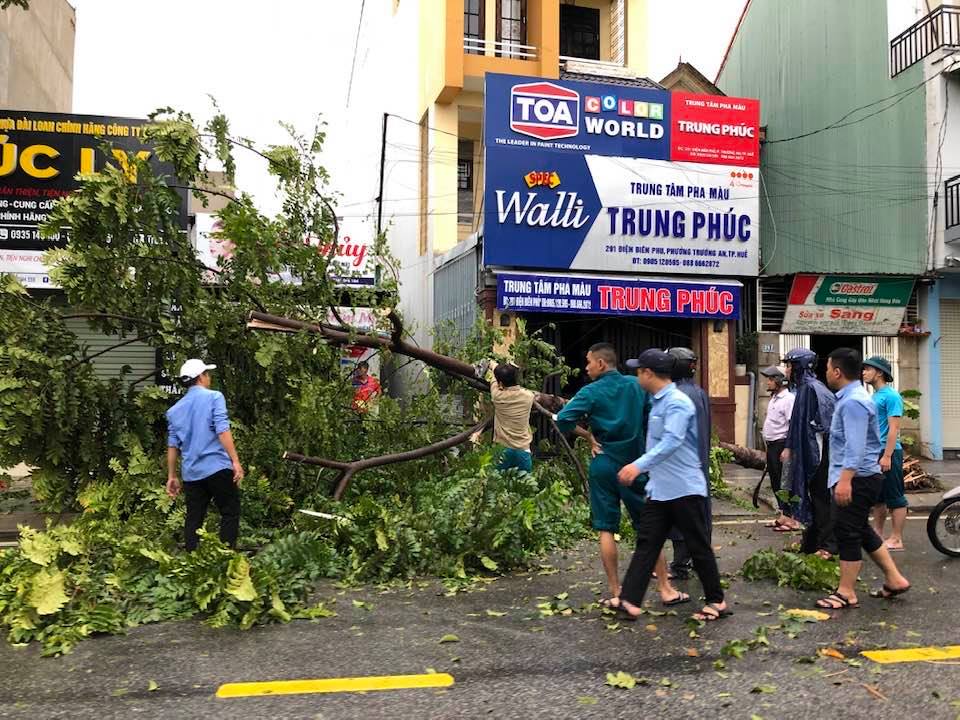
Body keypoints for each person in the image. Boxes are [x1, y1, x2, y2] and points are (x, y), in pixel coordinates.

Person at [554, 343, 685, 609]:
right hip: (636, 465)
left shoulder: (590, 392)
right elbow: (653, 417)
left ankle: (616, 592)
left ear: (601, 364)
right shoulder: (636, 386)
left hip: (604, 463)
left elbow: (563, 420)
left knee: (606, 528)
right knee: (650, 529)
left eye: (589, 361)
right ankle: (665, 588)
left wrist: (589, 435)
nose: (586, 366)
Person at [615, 349, 729, 623]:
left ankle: (717, 600)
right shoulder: (658, 400)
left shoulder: (677, 402)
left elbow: (672, 441)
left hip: (684, 489)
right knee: (647, 543)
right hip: (662, 490)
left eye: (638, 371)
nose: (636, 375)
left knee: (698, 546)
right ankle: (630, 600)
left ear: (648, 373)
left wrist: (637, 466)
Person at [815, 348, 909, 610]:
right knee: (862, 530)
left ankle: (846, 592)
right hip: (860, 476)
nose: (826, 374)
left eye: (827, 369)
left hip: (858, 478)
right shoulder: (851, 397)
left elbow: (855, 447)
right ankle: (895, 579)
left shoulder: (854, 401)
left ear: (837, 371)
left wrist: (845, 481)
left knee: (848, 533)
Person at [166, 359, 244, 551]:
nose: (209, 378)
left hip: (192, 472)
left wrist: (172, 476)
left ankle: (193, 563)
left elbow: (172, 446)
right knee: (229, 512)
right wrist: (235, 461)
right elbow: (223, 430)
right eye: (207, 374)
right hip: (217, 466)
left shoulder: (174, 411)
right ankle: (225, 559)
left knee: (194, 518)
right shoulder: (214, 397)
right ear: (201, 377)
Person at [781, 348, 837, 558]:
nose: (786, 369)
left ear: (800, 366)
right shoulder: (803, 388)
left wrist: (813, 456)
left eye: (789, 365)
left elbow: (824, 425)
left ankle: (829, 545)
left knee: (821, 500)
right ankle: (812, 542)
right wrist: (790, 447)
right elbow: (797, 424)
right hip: (807, 453)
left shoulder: (814, 389)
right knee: (811, 499)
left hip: (818, 455)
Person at [664, 346, 712, 579]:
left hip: (681, 465)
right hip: (697, 462)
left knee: (680, 516)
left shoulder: (677, 394)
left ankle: (680, 565)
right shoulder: (697, 391)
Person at [862, 356, 909, 551]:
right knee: (878, 497)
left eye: (867, 369)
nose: (863, 372)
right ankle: (878, 534)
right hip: (875, 451)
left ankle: (897, 538)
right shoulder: (875, 396)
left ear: (879, 372)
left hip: (888, 451)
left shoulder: (891, 396)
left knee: (895, 496)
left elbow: (893, 429)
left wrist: (887, 455)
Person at [760, 365, 797, 530]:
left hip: (782, 445)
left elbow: (792, 426)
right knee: (776, 481)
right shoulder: (774, 398)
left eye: (770, 379)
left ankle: (791, 518)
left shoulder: (788, 399)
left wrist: (787, 448)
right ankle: (784, 514)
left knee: (785, 482)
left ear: (780, 381)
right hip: (772, 445)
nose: (768, 382)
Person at [489, 362, 535, 472]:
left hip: (502, 449)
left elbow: (493, 381)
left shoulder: (497, 396)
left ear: (500, 383)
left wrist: (492, 365)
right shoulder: (529, 396)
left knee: (498, 486)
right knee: (524, 486)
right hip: (522, 450)